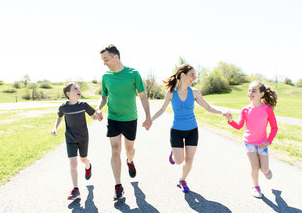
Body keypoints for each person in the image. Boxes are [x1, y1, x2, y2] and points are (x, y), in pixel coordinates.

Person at [151, 64, 224, 193]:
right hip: (176, 131)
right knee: (179, 161)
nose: (194, 78)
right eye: (192, 75)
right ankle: (174, 154)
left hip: (192, 130)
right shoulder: (171, 93)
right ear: (182, 75)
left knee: (189, 159)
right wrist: (150, 120)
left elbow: (208, 107)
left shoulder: (194, 92)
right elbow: (162, 109)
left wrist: (222, 113)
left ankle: (183, 180)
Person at [96, 44, 152, 200]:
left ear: (116, 57)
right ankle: (118, 185)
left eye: (106, 59)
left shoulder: (133, 74)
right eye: (103, 60)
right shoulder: (106, 77)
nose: (104, 63)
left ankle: (130, 161)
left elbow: (143, 96)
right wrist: (99, 108)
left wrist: (148, 117)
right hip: (113, 118)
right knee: (115, 149)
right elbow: (104, 97)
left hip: (130, 119)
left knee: (129, 149)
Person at [224, 81, 278, 198]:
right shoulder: (245, 110)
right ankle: (256, 186)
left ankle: (267, 171)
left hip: (262, 144)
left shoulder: (267, 110)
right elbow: (239, 126)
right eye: (249, 90)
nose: (250, 93)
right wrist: (230, 120)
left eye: (254, 91)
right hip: (249, 143)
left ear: (261, 94)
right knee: (254, 166)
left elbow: (274, 128)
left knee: (263, 169)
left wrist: (268, 141)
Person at [51, 82, 101, 200]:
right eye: (75, 88)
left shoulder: (83, 105)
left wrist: (98, 117)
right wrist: (54, 128)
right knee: (73, 163)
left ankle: (88, 166)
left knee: (83, 159)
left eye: (78, 88)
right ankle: (76, 190)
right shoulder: (63, 107)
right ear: (68, 94)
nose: (79, 89)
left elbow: (93, 116)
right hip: (70, 138)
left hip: (83, 137)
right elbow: (59, 117)